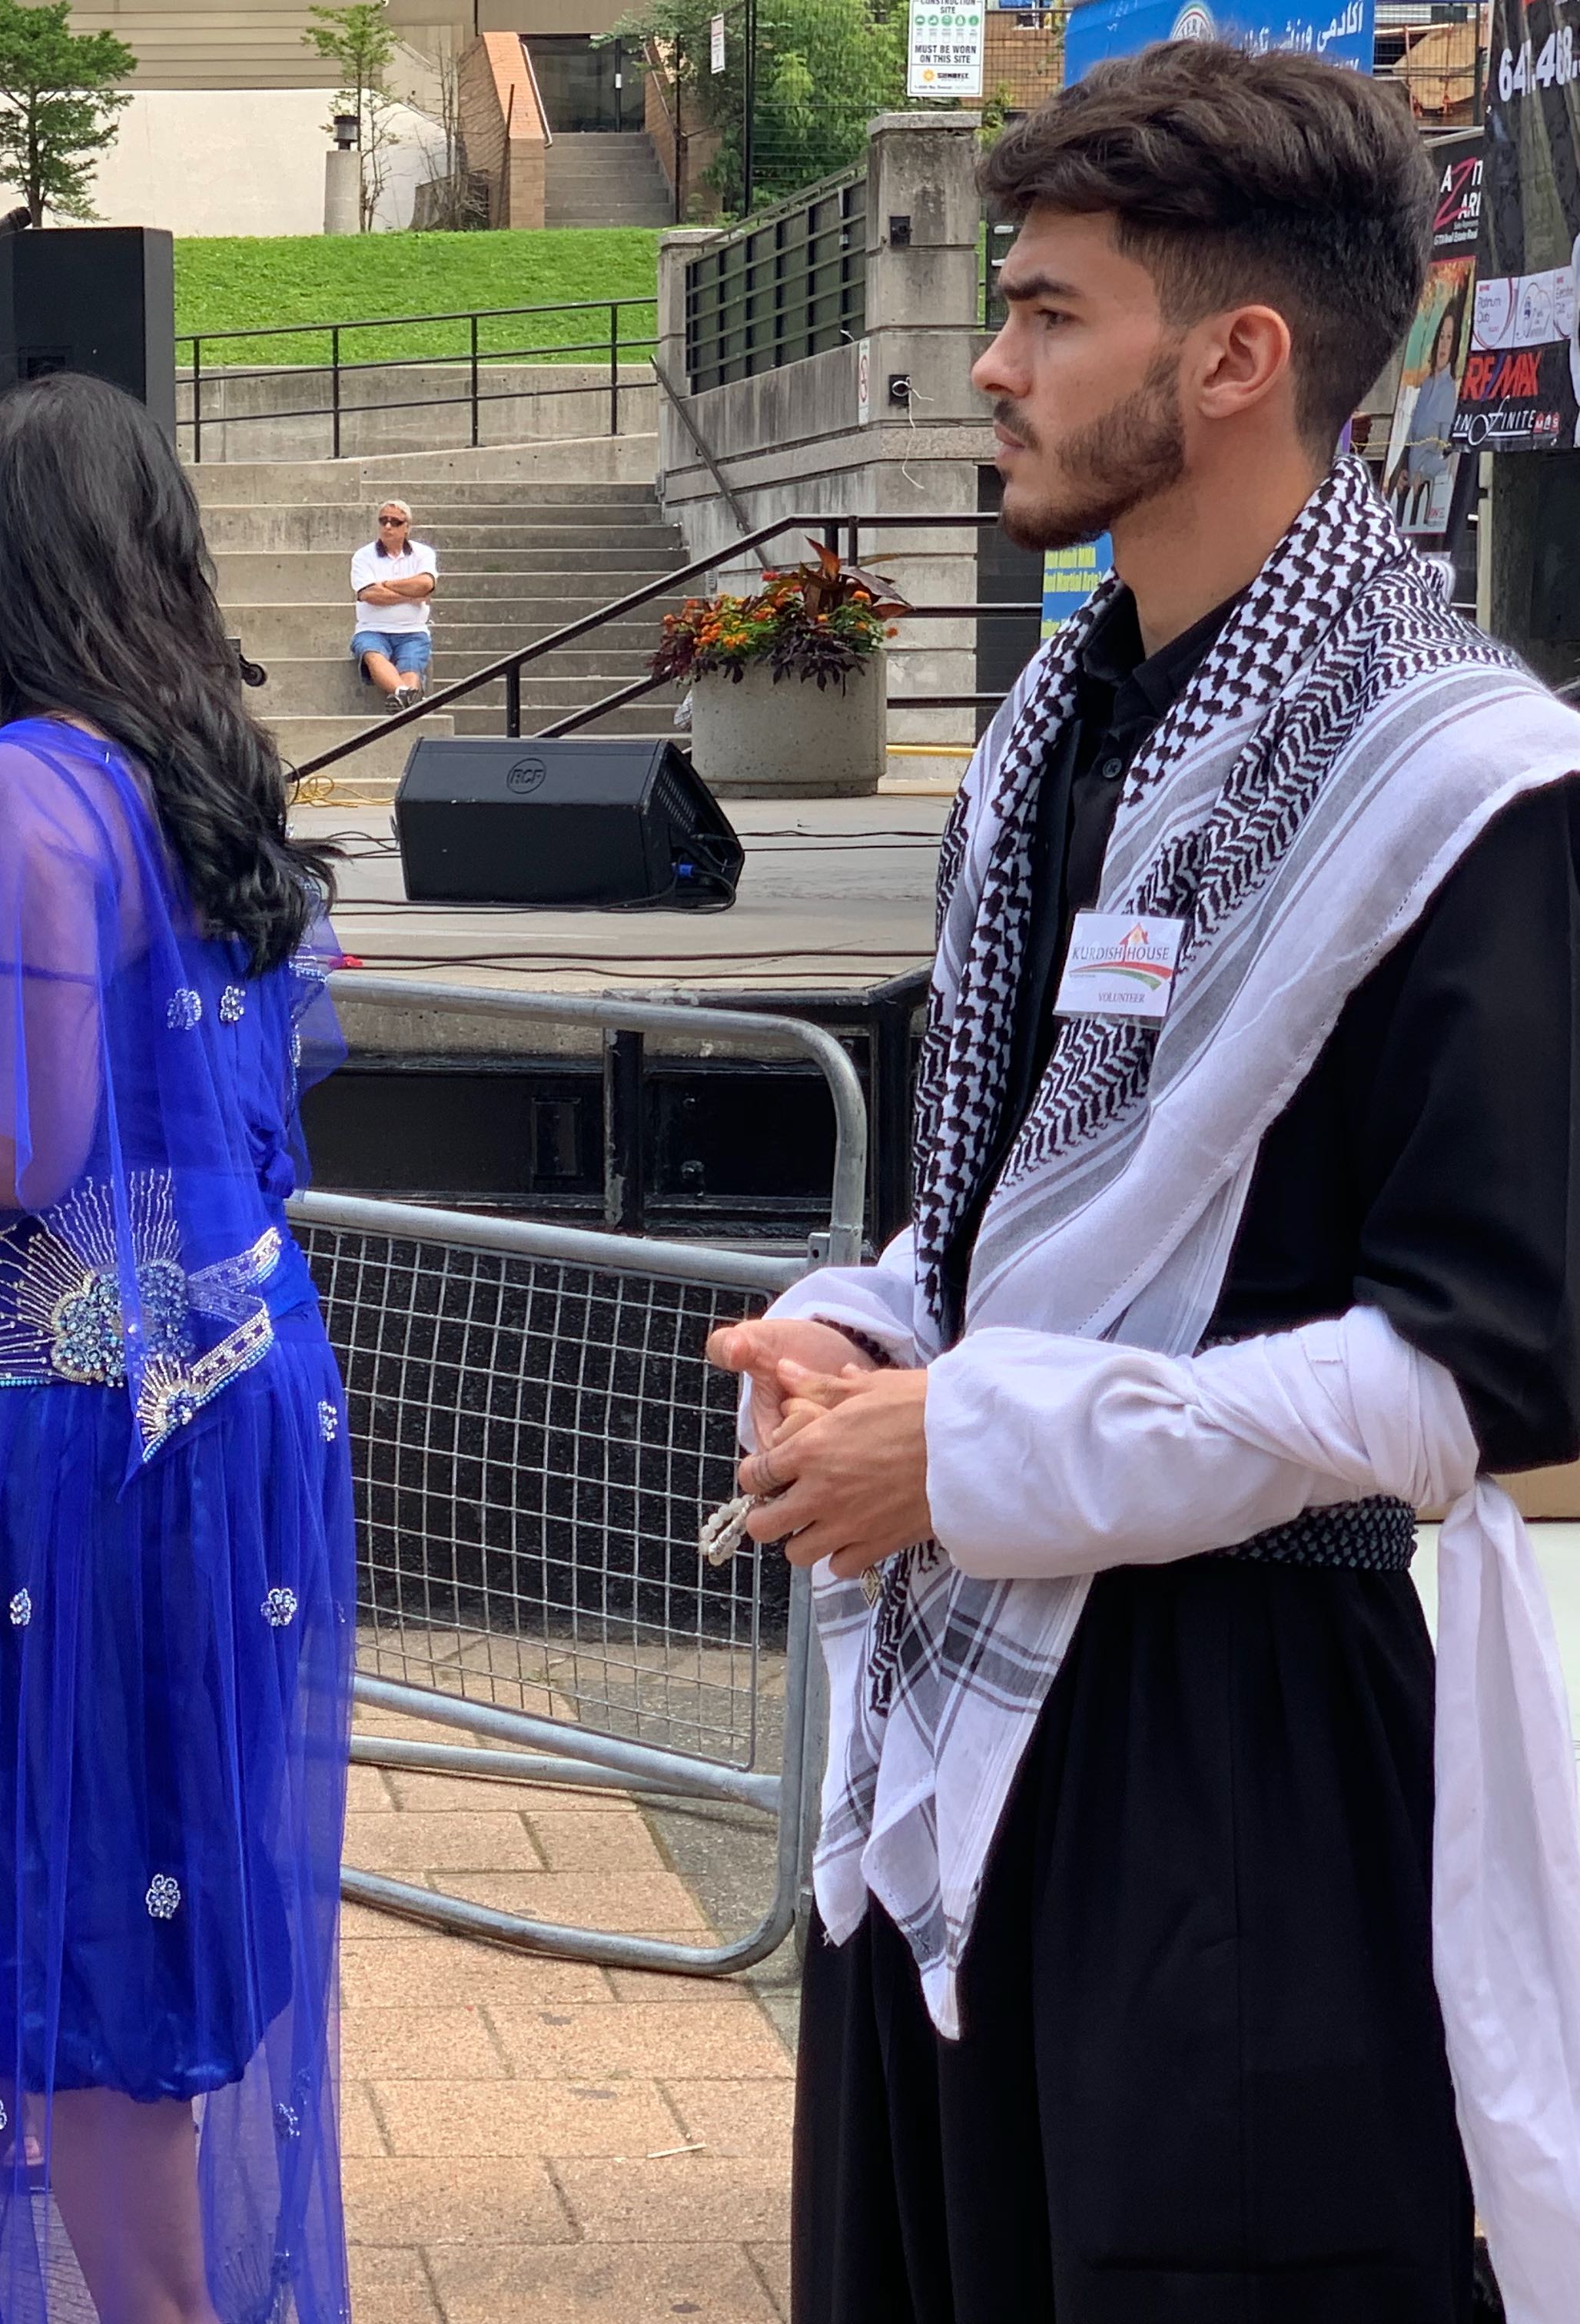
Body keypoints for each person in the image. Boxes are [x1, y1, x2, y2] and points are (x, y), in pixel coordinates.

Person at [709, 46, 1580, 2320]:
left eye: (1049, 313)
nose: (991, 366)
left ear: (1234, 358)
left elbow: (1490, 1367)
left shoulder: (1464, 777)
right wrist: (875, 1339)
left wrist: (981, 1445)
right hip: (961, 1731)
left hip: (1244, 1772)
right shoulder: (1060, 724)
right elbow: (983, 1222)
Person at [0, 372, 357, 2324]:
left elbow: (15, 1153)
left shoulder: (17, 786)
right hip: (226, 1388)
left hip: (88, 1437)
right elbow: (176, 1137)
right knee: (147, 1908)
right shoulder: (201, 783)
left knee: (75, 1946)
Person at [349, 498, 436, 702]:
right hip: (372, 629)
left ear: (407, 527)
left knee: (412, 663)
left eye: (395, 522)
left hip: (413, 631)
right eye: (383, 521)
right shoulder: (363, 556)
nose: (388, 526)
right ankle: (405, 697)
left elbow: (425, 584)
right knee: (372, 653)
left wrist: (386, 584)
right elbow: (370, 595)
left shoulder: (423, 553)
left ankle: (404, 699)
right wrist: (412, 595)